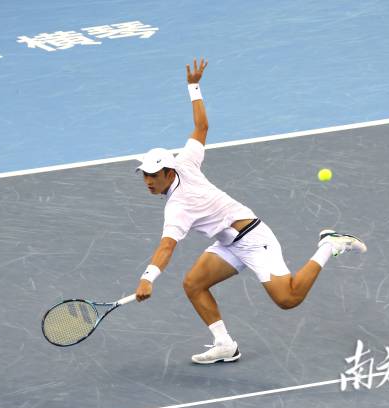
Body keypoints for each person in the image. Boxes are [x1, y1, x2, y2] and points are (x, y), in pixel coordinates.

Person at [134, 58, 367, 364]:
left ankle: (329, 244)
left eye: (153, 175)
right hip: (228, 242)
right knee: (193, 284)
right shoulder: (184, 161)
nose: (148, 182)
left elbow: (167, 246)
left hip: (254, 239)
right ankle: (224, 345)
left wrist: (148, 277)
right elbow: (202, 127)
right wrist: (194, 86)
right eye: (144, 175)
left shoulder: (178, 205)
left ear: (168, 171)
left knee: (288, 298)